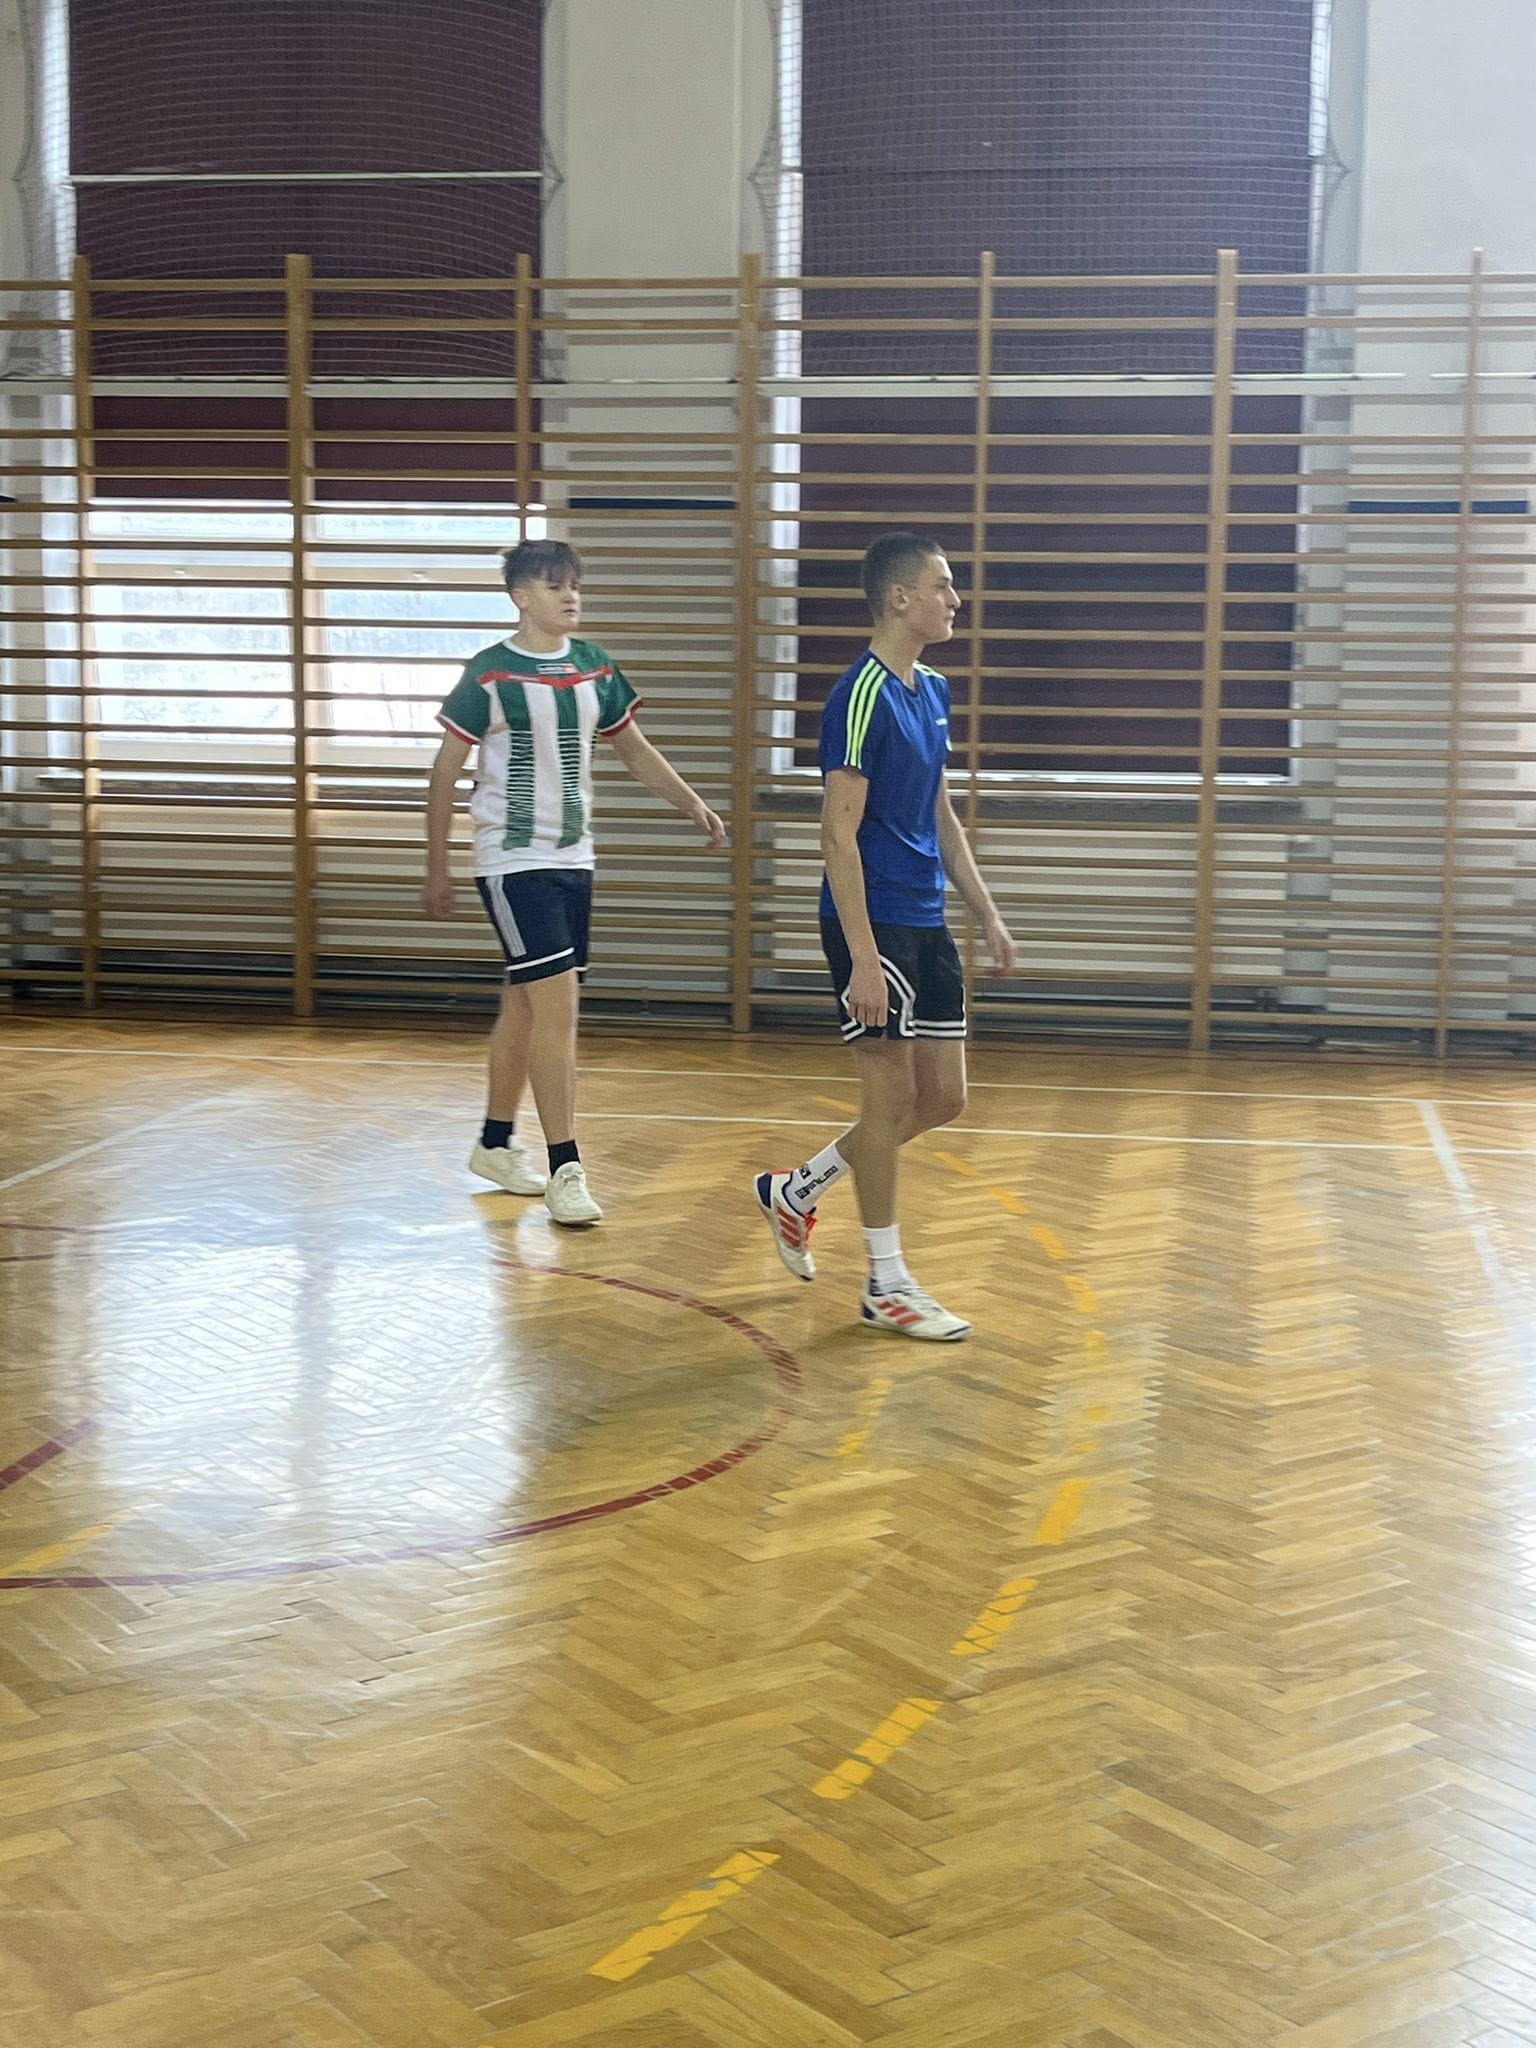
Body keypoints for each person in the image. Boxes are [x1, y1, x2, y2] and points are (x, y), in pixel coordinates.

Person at [754, 532, 1016, 1339]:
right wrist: (863, 959)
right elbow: (837, 835)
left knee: (944, 1098)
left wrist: (985, 910)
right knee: (889, 1098)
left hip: (925, 919)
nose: (956, 601)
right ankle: (884, 1285)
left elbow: (940, 815)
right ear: (900, 598)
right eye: (943, 586)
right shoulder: (858, 696)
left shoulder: (931, 688)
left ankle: (798, 1190)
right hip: (870, 923)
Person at [424, 538, 725, 1226]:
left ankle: (495, 1144)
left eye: (575, 585)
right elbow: (443, 773)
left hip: (573, 859)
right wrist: (437, 865)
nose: (570, 596)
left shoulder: (594, 667)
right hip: (511, 862)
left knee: (527, 1007)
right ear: (520, 597)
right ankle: (566, 1167)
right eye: (554, 585)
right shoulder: (489, 673)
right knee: (559, 1007)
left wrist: (691, 802)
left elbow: (634, 750)